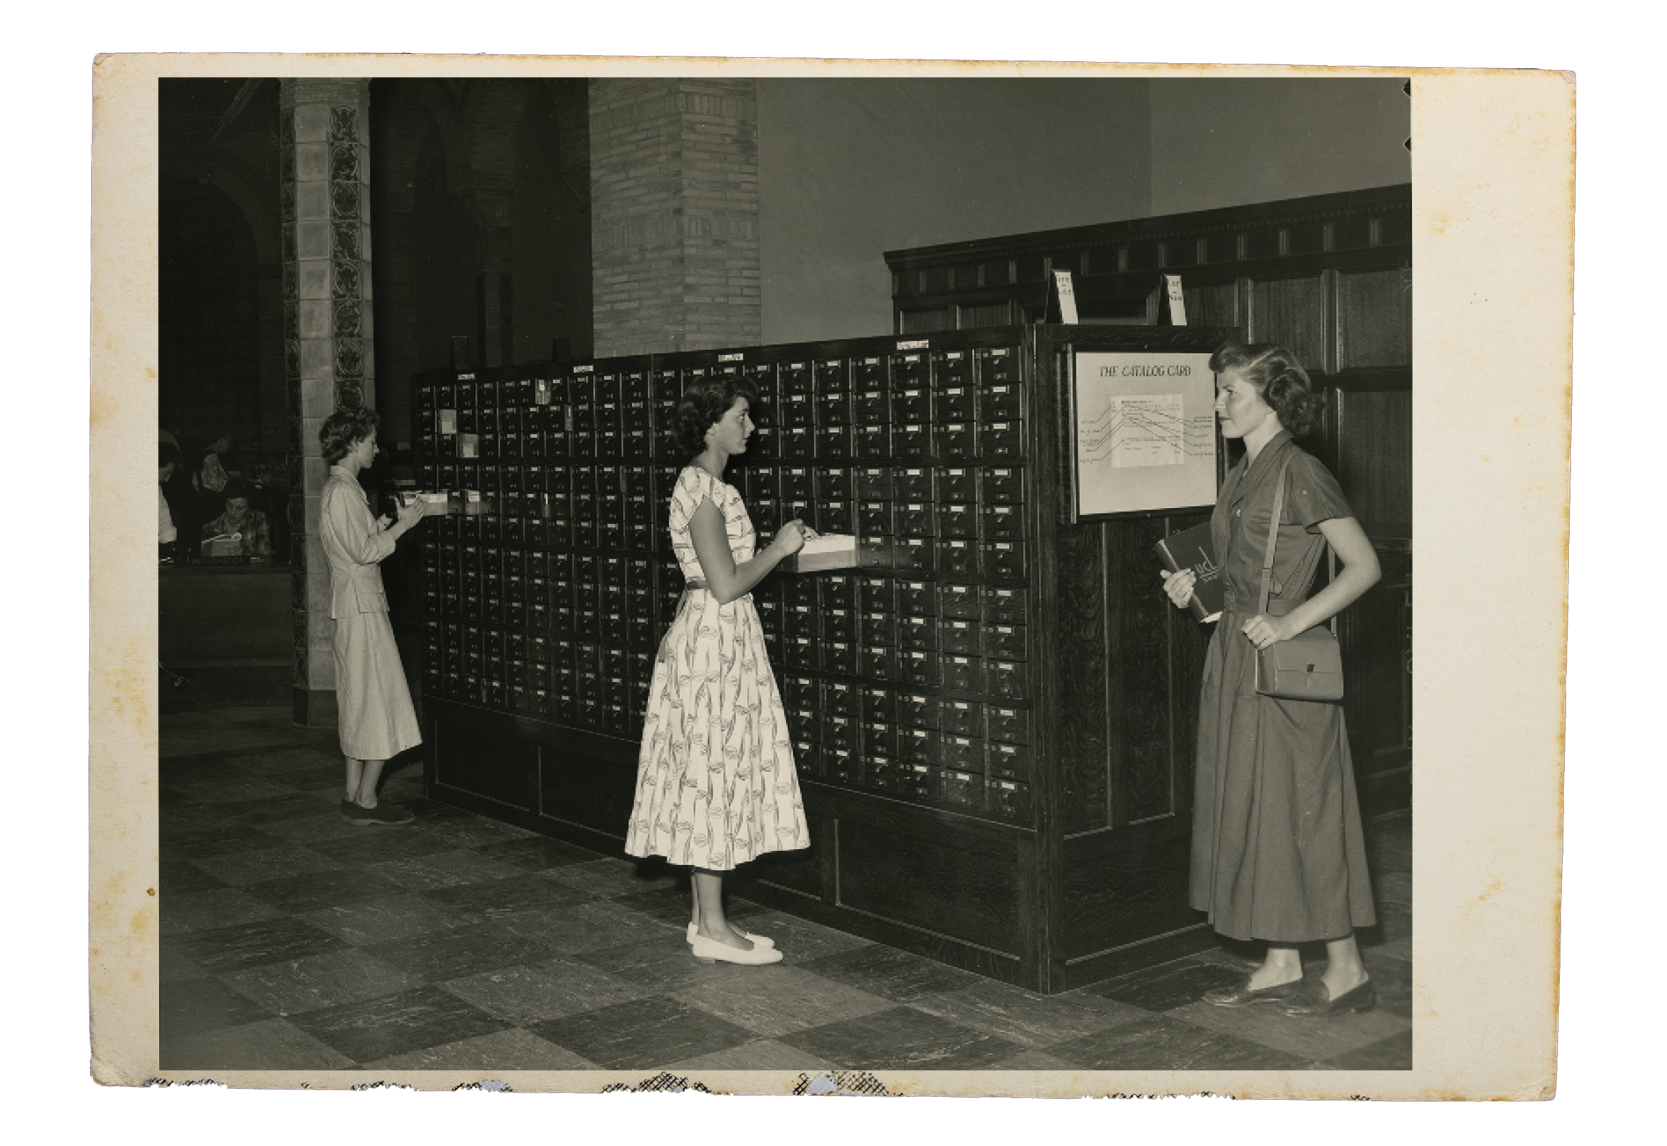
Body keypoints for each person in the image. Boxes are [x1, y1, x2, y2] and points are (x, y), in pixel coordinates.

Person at [1161, 343, 1383, 1018]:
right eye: (1218, 391)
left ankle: (1345, 968)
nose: (1218, 404)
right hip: (1233, 653)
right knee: (1256, 806)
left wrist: (1288, 625)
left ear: (1272, 398)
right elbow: (1240, 571)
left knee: (1300, 808)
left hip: (1283, 668)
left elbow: (1363, 566)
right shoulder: (1242, 469)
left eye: (1230, 392)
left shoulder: (1301, 471)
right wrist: (1193, 587)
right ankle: (1283, 959)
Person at [624, 377, 815, 966]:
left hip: (714, 635)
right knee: (713, 772)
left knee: (715, 768)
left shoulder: (704, 485)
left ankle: (705, 920)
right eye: (741, 417)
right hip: (715, 642)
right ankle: (712, 926)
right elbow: (727, 583)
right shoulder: (704, 490)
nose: (751, 427)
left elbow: (705, 580)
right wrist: (781, 548)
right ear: (710, 426)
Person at [320, 408, 429, 826]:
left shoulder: (341, 488)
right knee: (380, 697)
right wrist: (402, 527)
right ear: (352, 444)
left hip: (354, 607)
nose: (376, 449)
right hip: (362, 609)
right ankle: (366, 797)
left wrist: (381, 522)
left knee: (359, 698)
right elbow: (364, 553)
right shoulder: (343, 492)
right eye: (370, 442)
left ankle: (353, 794)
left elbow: (355, 540)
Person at [200, 478, 272, 560]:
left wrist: (244, 554)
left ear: (248, 507)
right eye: (229, 505)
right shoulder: (210, 528)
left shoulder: (258, 520)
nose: (233, 512)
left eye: (239, 508)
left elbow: (266, 559)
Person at [159, 444, 180, 557]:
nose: (167, 479)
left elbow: (164, 521)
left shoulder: (157, 489)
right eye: (166, 473)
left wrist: (171, 546)